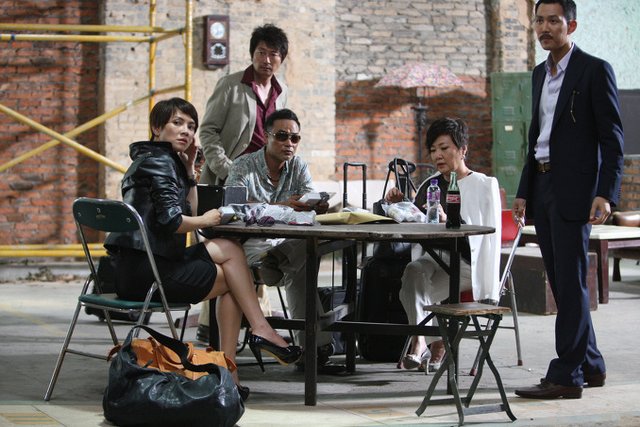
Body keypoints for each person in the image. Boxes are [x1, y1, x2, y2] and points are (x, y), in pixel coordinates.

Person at [104, 98, 302, 401]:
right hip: (149, 275)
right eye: (177, 123)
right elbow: (173, 221)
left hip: (141, 266)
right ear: (157, 127)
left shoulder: (158, 160)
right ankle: (236, 364)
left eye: (191, 126)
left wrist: (189, 172)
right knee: (234, 279)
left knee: (230, 251)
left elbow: (189, 210)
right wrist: (208, 220)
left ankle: (243, 355)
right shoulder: (158, 162)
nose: (186, 131)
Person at [513, 0, 624, 400]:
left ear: (570, 25)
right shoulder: (538, 73)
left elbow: (612, 140)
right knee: (563, 284)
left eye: (553, 21)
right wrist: (524, 189)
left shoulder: (594, 70)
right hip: (542, 188)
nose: (544, 27)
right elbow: (537, 137)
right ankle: (590, 364)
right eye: (539, 20)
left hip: (576, 191)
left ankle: (566, 375)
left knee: (571, 283)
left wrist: (605, 193)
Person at [226, 108, 346, 374]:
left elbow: (307, 200)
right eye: (282, 136)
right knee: (302, 264)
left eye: (295, 138)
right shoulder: (243, 165)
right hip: (252, 244)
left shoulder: (298, 166)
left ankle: (277, 261)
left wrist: (317, 205)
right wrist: (282, 206)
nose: (289, 143)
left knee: (305, 249)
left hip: (288, 243)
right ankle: (316, 350)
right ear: (266, 136)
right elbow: (234, 207)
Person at [385, 117, 501, 372]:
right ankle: (421, 342)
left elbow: (488, 237)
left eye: (444, 148)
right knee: (412, 272)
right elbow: (415, 223)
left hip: (468, 265)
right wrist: (399, 205)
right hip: (435, 258)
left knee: (412, 293)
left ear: (463, 149)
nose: (437, 155)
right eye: (433, 150)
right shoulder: (431, 184)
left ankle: (435, 342)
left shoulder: (484, 185)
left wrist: (451, 221)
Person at [197, 24, 289, 340]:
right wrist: (227, 169)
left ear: (281, 59)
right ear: (252, 54)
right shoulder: (231, 85)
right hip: (228, 183)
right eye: (261, 52)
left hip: (264, 183)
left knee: (258, 244)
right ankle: (212, 325)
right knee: (230, 245)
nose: (266, 59)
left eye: (273, 54)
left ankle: (254, 318)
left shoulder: (281, 90)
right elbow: (208, 131)